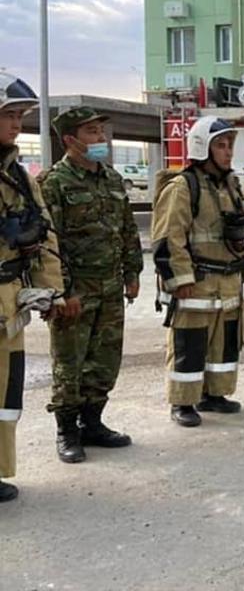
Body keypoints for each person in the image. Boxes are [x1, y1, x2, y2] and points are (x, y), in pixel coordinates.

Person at [41, 107, 142, 463]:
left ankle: (94, 422)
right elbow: (48, 242)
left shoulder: (112, 180)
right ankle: (67, 431)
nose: (101, 138)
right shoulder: (54, 183)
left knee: (105, 359)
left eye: (101, 131)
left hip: (111, 286)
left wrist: (132, 272)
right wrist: (62, 291)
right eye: (92, 132)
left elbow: (127, 229)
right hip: (76, 290)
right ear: (70, 140)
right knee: (70, 362)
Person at [152, 117, 244, 427]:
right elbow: (168, 236)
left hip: (228, 282)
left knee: (224, 344)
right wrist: (180, 279)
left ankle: (215, 394)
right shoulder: (183, 187)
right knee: (189, 344)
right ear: (202, 147)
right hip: (197, 284)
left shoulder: (232, 186)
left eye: (230, 145)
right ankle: (183, 401)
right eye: (221, 145)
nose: (228, 152)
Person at [0, 74, 68, 502]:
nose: (16, 125)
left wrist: (51, 291)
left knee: (5, 392)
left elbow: (45, 236)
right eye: (8, 116)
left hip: (9, 302)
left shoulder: (20, 177)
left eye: (19, 117)